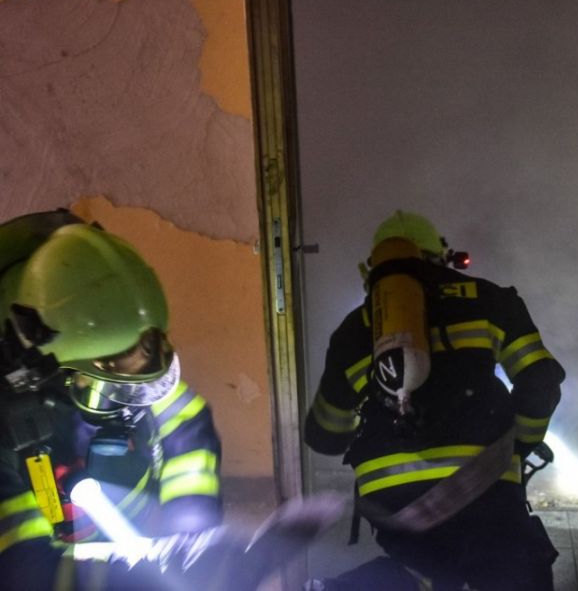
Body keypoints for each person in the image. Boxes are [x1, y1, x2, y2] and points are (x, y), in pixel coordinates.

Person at [0, 210, 341, 590]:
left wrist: (192, 536)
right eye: (109, 388)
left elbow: (188, 426)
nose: (128, 404)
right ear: (42, 374)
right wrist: (161, 566)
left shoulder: (126, 369)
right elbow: (24, 573)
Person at [304, 210, 565, 590]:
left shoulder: (351, 332)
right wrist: (520, 444)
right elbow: (541, 380)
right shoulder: (491, 301)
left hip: (392, 502)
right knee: (509, 566)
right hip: (486, 485)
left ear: (373, 269)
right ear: (443, 258)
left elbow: (325, 435)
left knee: (424, 571)